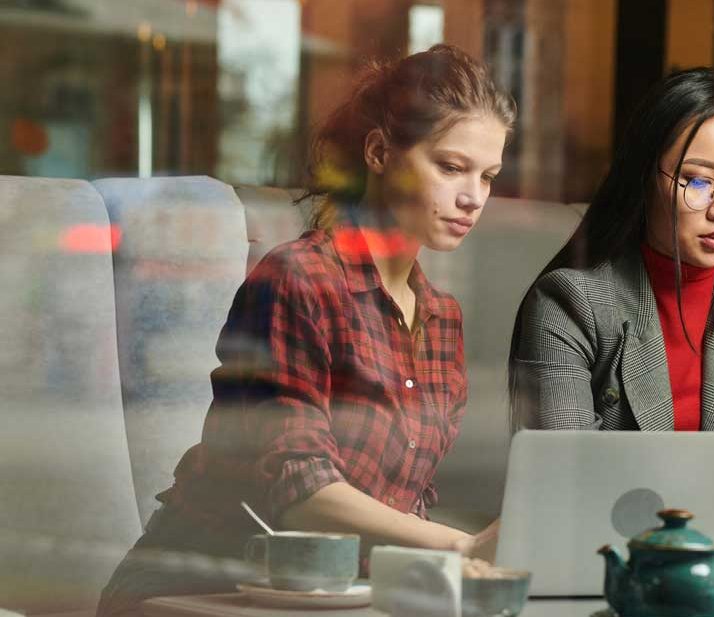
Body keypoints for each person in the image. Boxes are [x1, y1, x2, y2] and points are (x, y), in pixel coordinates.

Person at [98, 44, 515, 616]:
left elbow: (403, 501)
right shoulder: (299, 278)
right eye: (450, 166)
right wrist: (461, 546)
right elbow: (299, 488)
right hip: (199, 588)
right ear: (378, 152)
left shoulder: (441, 318)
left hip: (332, 597)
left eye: (488, 176)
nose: (473, 198)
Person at [508, 68, 714, 558]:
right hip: (610, 572)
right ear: (646, 176)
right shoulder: (569, 303)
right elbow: (568, 484)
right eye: (698, 182)